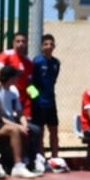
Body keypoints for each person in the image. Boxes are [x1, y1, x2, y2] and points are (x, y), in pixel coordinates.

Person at [29, 33, 67, 172]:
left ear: (54, 46)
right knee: (40, 132)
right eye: (46, 44)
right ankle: (42, 159)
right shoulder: (37, 62)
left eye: (51, 44)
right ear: (41, 47)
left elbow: (53, 80)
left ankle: (55, 158)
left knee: (54, 130)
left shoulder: (56, 63)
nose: (49, 47)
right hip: (39, 103)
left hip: (51, 101)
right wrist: (36, 98)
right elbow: (30, 83)